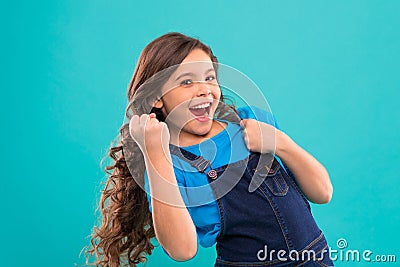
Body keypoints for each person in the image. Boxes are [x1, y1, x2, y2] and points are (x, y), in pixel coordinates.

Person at [85, 32, 334, 267]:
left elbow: (323, 192)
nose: (204, 88)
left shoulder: (251, 122)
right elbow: (182, 250)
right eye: (186, 81)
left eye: (210, 77)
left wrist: (281, 143)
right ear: (156, 98)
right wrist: (154, 152)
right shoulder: (168, 165)